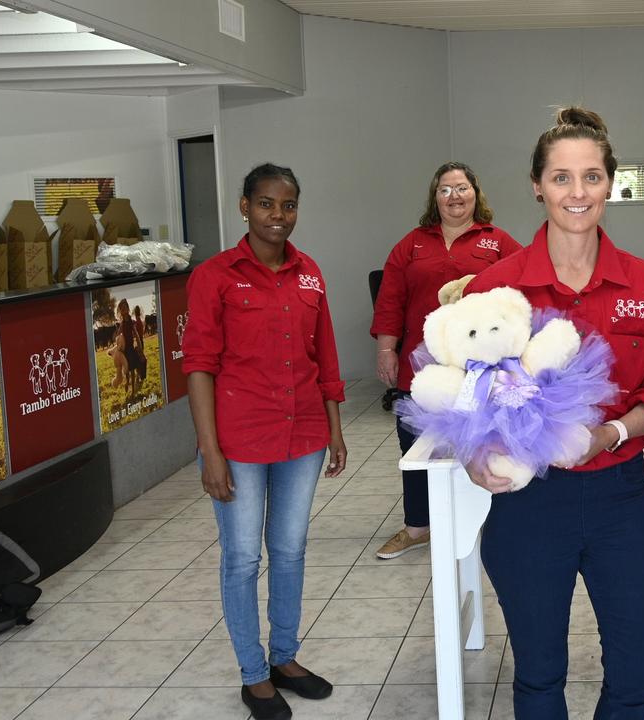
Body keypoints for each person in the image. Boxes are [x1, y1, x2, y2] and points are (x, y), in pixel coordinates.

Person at [462, 106, 644, 719]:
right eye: (561, 177)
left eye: (591, 176)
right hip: (531, 503)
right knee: (539, 674)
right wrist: (476, 452)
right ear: (537, 185)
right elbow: (462, 393)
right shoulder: (497, 290)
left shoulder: (642, 284)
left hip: (621, 497)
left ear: (609, 184)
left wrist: (614, 431)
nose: (577, 192)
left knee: (637, 671)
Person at [184, 163, 348, 720]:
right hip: (239, 438)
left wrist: (334, 427)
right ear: (244, 207)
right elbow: (200, 366)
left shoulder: (310, 274)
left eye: (288, 205)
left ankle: (285, 658)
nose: (278, 216)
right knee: (240, 559)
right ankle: (253, 674)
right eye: (266, 204)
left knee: (290, 551)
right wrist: (209, 451)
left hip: (302, 432)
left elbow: (324, 355)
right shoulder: (215, 276)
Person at [371, 161, 521, 560]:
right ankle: (418, 526)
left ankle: (493, 522)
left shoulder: (497, 241)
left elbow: (522, 294)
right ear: (434, 198)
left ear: (476, 194)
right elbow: (390, 300)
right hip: (420, 368)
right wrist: (386, 348)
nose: (454, 197)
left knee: (486, 443)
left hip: (480, 370)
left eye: (462, 188)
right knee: (416, 446)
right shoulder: (412, 244)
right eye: (445, 190)